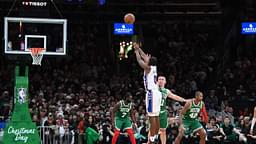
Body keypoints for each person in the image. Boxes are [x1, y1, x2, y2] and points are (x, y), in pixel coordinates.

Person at [133, 43, 162, 143]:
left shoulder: (148, 68)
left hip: (151, 94)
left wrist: (137, 52)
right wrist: (139, 48)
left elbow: (140, 60)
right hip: (157, 93)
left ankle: (152, 137)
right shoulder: (154, 67)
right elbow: (145, 57)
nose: (147, 58)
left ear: (149, 62)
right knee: (156, 115)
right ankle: (157, 134)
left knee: (151, 116)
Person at [157, 75, 187, 144]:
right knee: (152, 130)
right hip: (154, 111)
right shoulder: (154, 89)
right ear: (157, 81)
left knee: (163, 131)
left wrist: (184, 100)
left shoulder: (166, 91)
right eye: (159, 79)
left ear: (165, 82)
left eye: (162, 79)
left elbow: (174, 96)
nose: (161, 80)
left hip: (162, 111)